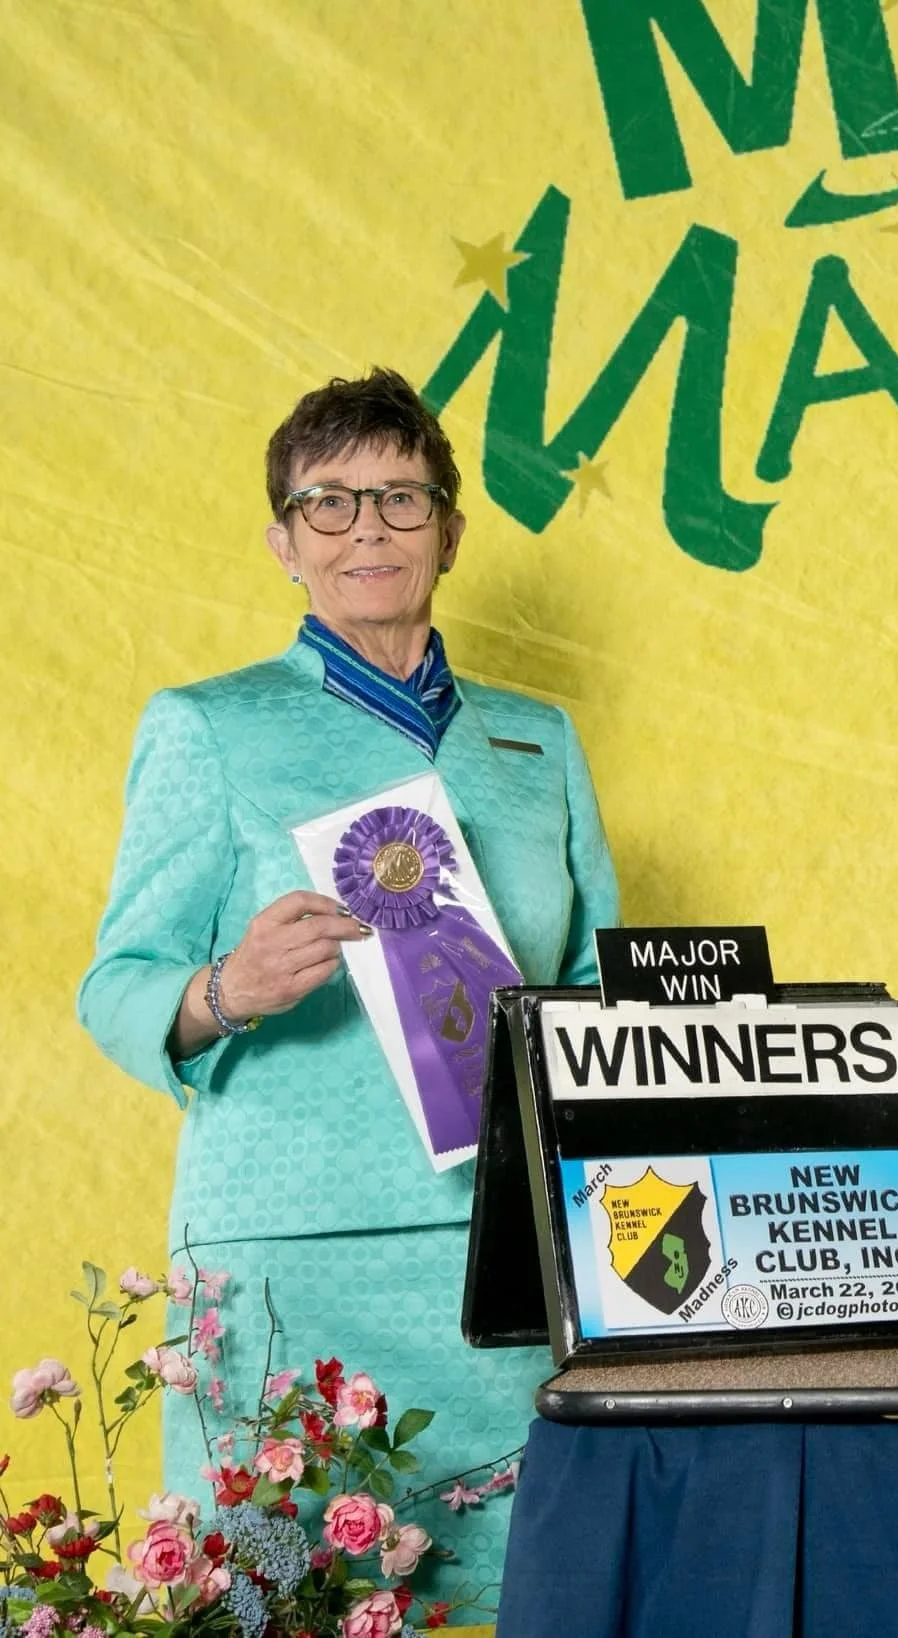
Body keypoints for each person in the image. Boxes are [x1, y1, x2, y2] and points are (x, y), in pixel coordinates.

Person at [78, 369, 619, 1591]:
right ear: (283, 542)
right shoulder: (206, 726)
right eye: (328, 502)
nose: (366, 527)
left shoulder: (542, 745)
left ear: (450, 531)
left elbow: (592, 988)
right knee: (283, 1596)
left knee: (535, 1593)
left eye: (399, 497)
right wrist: (231, 987)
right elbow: (116, 979)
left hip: (508, 1264)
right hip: (293, 1257)